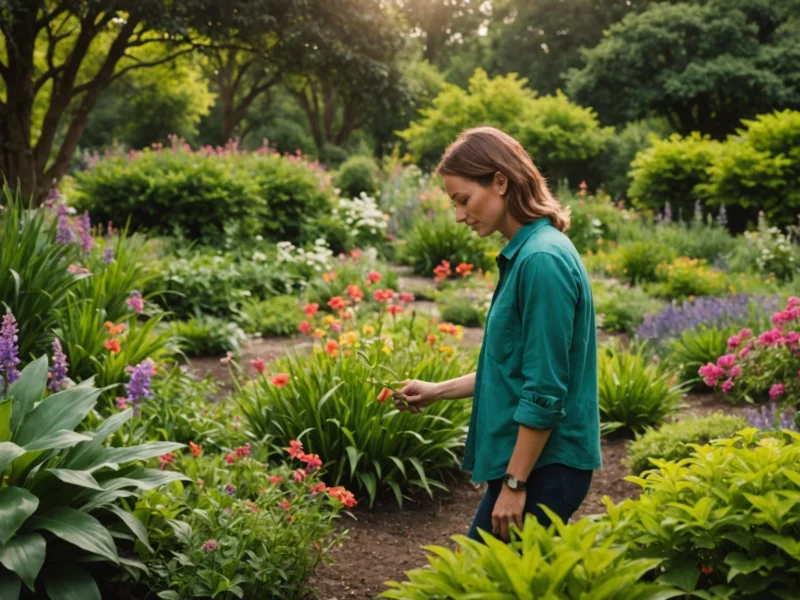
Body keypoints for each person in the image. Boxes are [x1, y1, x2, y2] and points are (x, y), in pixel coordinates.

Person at [397, 126, 601, 543]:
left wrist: (514, 484)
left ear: (501, 181)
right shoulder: (530, 253)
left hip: (544, 468)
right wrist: (437, 391)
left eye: (464, 200)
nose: (459, 215)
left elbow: (545, 387)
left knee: (477, 581)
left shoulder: (542, 260)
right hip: (532, 465)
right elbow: (514, 370)